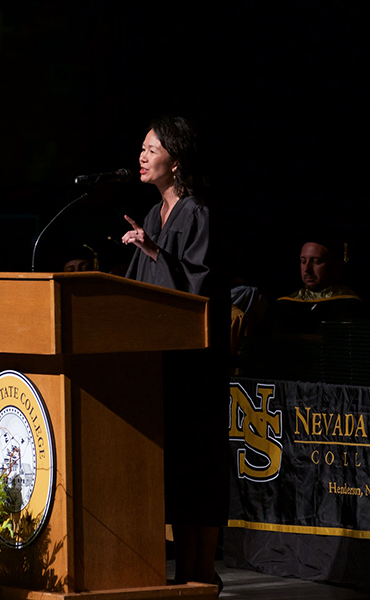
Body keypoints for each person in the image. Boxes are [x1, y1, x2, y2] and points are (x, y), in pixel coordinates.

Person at [121, 115, 224, 586]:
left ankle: (202, 571)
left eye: (152, 150)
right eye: (141, 149)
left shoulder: (196, 212)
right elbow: (141, 288)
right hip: (160, 362)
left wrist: (155, 253)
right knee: (177, 466)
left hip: (195, 365)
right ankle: (184, 571)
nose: (142, 157)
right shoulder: (151, 217)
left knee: (196, 462)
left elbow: (198, 290)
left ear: (175, 161)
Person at [270, 237, 363, 334]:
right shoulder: (283, 306)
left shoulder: (349, 307)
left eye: (316, 261)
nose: (307, 269)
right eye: (303, 261)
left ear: (335, 265)